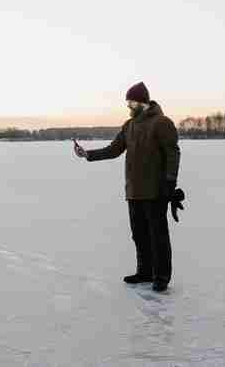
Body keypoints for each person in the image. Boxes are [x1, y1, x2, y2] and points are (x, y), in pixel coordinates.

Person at [73, 81, 182, 292]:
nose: (129, 106)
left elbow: (173, 153)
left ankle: (161, 277)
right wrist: (88, 155)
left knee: (158, 235)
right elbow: (114, 150)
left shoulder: (162, 123)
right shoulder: (128, 126)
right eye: (128, 103)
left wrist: (170, 182)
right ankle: (144, 272)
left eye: (131, 102)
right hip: (134, 190)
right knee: (139, 234)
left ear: (142, 102)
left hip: (156, 191)